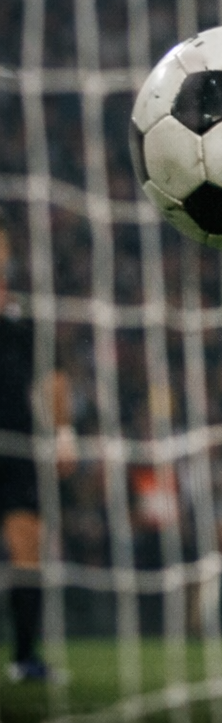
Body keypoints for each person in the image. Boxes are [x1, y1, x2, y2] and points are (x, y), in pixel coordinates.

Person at [0, 223, 74, 682]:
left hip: (17, 446)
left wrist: (64, 433)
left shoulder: (22, 317)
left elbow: (53, 376)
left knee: (28, 546)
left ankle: (25, 658)